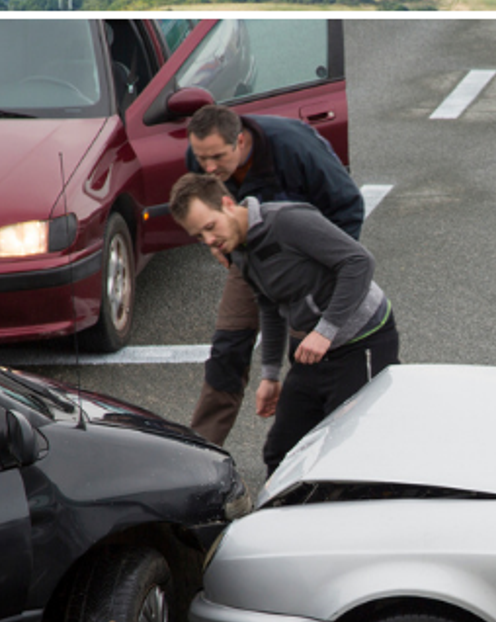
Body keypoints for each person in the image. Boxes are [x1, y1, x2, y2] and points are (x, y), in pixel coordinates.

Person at [168, 171, 398, 474]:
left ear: (226, 203)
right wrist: (271, 375)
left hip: (362, 341)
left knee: (347, 450)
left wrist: (325, 331)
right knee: (281, 451)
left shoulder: (287, 222)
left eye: (210, 227)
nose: (210, 241)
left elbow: (359, 261)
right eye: (200, 236)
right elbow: (269, 304)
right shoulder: (239, 250)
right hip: (313, 350)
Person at [182, 104, 365, 445]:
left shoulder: (295, 148)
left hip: (305, 261)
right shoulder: (202, 158)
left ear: (239, 141)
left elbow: (349, 207)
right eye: (200, 157)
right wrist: (220, 247)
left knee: (308, 360)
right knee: (227, 349)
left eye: (218, 157)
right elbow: (202, 207)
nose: (208, 167)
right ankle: (201, 453)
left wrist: (324, 274)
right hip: (249, 258)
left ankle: (321, 452)